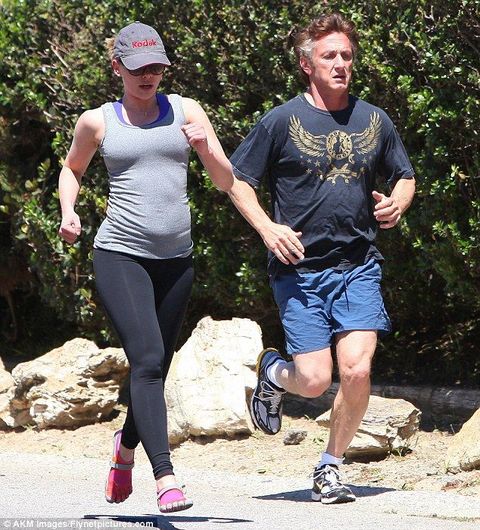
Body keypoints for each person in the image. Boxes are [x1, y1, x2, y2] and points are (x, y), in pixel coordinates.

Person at [228, 13, 415, 504]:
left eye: (347, 55)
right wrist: (267, 228)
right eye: (329, 55)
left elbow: (404, 174)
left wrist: (398, 202)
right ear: (306, 64)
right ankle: (275, 372)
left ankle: (330, 466)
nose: (340, 64)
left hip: (357, 265)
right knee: (313, 382)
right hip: (300, 271)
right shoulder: (281, 120)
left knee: (357, 370)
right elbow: (237, 180)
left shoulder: (374, 119)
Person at [58, 21, 232, 513]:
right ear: (117, 67)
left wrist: (204, 147)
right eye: (137, 68)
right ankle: (166, 477)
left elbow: (225, 180)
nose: (147, 76)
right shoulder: (97, 121)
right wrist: (69, 211)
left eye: (155, 66)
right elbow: (72, 169)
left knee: (154, 367)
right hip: (121, 255)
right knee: (150, 359)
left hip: (176, 260)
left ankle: (125, 447)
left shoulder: (187, 111)